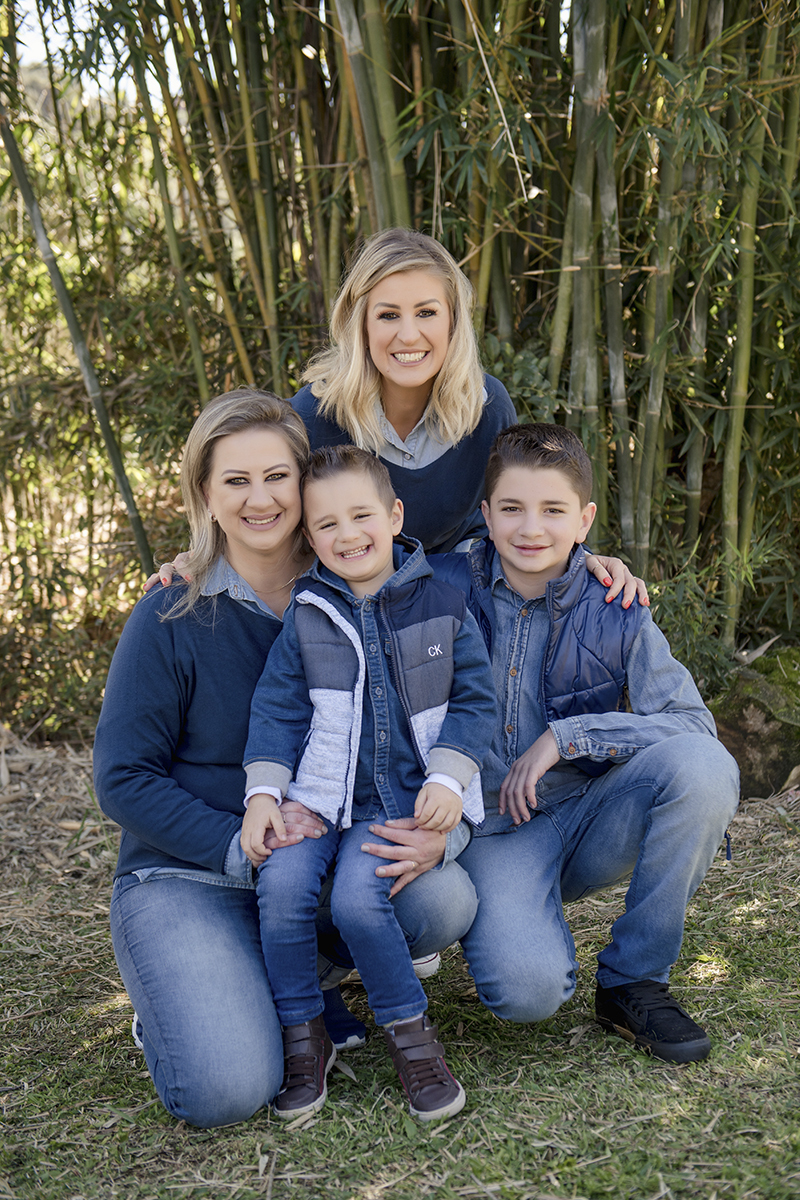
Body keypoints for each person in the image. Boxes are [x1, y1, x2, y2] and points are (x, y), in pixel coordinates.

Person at [93, 389, 481, 1128]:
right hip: (190, 869)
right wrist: (240, 846)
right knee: (225, 1090)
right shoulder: (173, 612)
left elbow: (490, 574)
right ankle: (186, 1001)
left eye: (277, 476)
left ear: (305, 486)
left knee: (440, 898)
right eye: (234, 481)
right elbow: (121, 779)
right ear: (204, 495)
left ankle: (300, 979)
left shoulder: (358, 584)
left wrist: (594, 563)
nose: (260, 499)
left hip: (323, 849)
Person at [430, 423, 740, 1063]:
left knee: (703, 769)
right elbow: (337, 557)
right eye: (511, 509)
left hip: (588, 815)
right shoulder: (437, 589)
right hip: (489, 829)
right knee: (528, 993)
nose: (530, 529)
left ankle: (633, 979)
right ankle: (478, 913)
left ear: (585, 519)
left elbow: (693, 724)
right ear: (485, 515)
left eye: (552, 510)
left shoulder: (616, 603)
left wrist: (569, 736)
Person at [240, 445, 496, 1121]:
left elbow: (476, 704)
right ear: (310, 537)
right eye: (326, 526)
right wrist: (265, 795)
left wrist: (447, 777)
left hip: (399, 804)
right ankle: (304, 1034)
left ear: (393, 514)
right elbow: (277, 708)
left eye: (361, 517)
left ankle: (412, 1039)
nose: (347, 535)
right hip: (318, 801)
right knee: (284, 886)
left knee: (358, 902)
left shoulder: (443, 603)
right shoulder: (308, 612)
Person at [291, 227, 517, 553]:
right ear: (362, 326)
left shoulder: (487, 407)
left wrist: (585, 566)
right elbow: (269, 518)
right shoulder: (313, 416)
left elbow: (524, 511)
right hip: (347, 596)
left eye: (426, 313)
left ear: (453, 322)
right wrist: (208, 558)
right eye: (388, 315)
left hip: (458, 591)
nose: (409, 335)